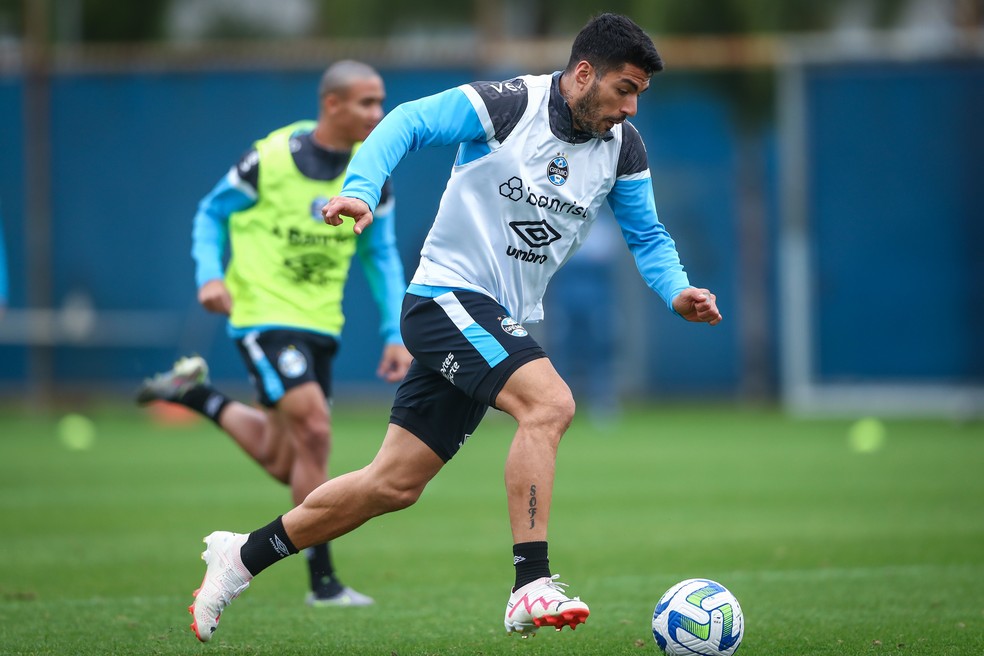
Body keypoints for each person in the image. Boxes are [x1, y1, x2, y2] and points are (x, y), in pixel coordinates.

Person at [186, 13, 722, 643]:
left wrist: (677, 288)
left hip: (494, 319)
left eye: (638, 95)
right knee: (549, 404)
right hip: (447, 299)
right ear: (584, 74)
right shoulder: (508, 104)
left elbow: (647, 234)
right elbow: (406, 122)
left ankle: (241, 557)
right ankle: (531, 584)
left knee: (392, 484)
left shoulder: (622, 148)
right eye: (624, 89)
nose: (630, 108)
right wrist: (361, 188)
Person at [138, 60, 412, 608]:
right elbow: (210, 214)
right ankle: (324, 581)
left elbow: (380, 255)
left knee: (285, 457)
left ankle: (195, 394)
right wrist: (209, 275)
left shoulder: (371, 171)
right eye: (366, 103)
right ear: (331, 104)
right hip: (262, 315)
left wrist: (393, 331)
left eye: (381, 103)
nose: (377, 114)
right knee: (314, 428)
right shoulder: (271, 158)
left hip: (321, 324)